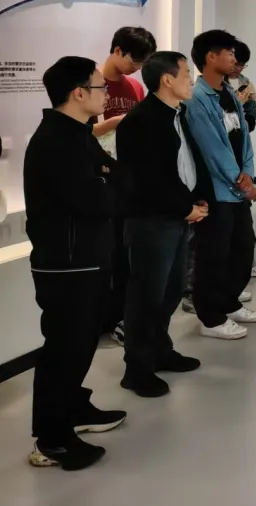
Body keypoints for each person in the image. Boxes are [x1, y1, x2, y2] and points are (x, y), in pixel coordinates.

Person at [24, 56, 127, 471]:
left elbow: (113, 177)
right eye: (100, 87)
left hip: (88, 257)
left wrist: (108, 181)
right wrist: (108, 184)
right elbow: (95, 199)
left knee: (81, 342)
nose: (106, 94)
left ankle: (74, 408)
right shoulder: (56, 141)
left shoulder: (77, 133)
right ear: (79, 93)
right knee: (64, 347)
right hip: (66, 262)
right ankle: (52, 439)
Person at [116, 52, 207, 398]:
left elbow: (183, 164)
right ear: (167, 80)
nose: (190, 81)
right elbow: (148, 179)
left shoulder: (176, 114)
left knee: (170, 291)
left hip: (177, 215)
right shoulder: (142, 121)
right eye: (186, 75)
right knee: (146, 295)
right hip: (152, 221)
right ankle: (137, 369)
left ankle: (159, 350)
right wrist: (185, 207)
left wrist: (196, 199)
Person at [183, 30, 256, 338]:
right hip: (216, 191)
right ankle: (211, 317)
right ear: (211, 57)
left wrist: (249, 173)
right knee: (213, 255)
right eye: (228, 53)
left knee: (241, 249)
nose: (234, 58)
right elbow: (211, 148)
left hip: (238, 188)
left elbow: (244, 138)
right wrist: (240, 182)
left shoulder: (229, 92)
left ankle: (229, 302)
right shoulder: (197, 98)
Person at [94, 26, 157, 347]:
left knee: (126, 254)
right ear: (117, 50)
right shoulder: (92, 84)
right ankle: (103, 319)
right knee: (107, 254)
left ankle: (120, 317)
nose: (137, 68)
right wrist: (115, 122)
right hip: (101, 179)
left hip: (129, 177)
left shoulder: (135, 87)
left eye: (143, 63)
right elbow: (83, 132)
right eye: (135, 60)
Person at [227, 41, 256, 278]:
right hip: (225, 157)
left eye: (242, 64)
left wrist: (247, 115)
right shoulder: (208, 89)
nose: (238, 68)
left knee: (242, 211)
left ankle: (245, 263)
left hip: (240, 145)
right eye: (236, 62)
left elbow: (253, 112)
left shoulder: (246, 82)